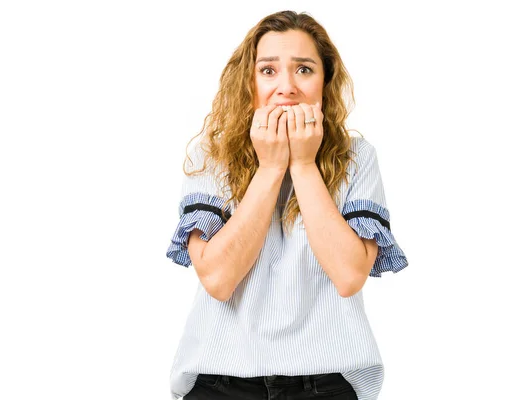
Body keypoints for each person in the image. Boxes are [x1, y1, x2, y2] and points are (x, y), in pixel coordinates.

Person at [166, 10, 409, 400]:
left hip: (326, 382)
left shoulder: (357, 156)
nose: (286, 87)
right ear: (249, 82)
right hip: (220, 382)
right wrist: (271, 168)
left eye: (304, 70)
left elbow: (349, 276)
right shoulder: (210, 156)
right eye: (268, 71)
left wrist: (303, 164)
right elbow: (218, 280)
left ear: (325, 82)